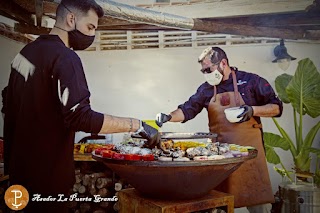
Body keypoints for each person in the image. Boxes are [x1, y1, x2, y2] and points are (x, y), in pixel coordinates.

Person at [3, 0, 159, 212]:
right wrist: (137, 125)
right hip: (49, 184)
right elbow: (81, 116)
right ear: (71, 19)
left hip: (18, 179)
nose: (92, 36)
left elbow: (8, 108)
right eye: (90, 27)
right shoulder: (66, 57)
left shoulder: (23, 55)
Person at [156, 47, 283, 213]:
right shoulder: (206, 89)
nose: (206, 74)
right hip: (220, 158)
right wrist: (168, 116)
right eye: (203, 71)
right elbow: (188, 110)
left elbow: (276, 108)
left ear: (223, 63)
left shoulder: (252, 81)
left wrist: (252, 111)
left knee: (259, 203)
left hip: (250, 155)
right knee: (219, 203)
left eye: (209, 69)